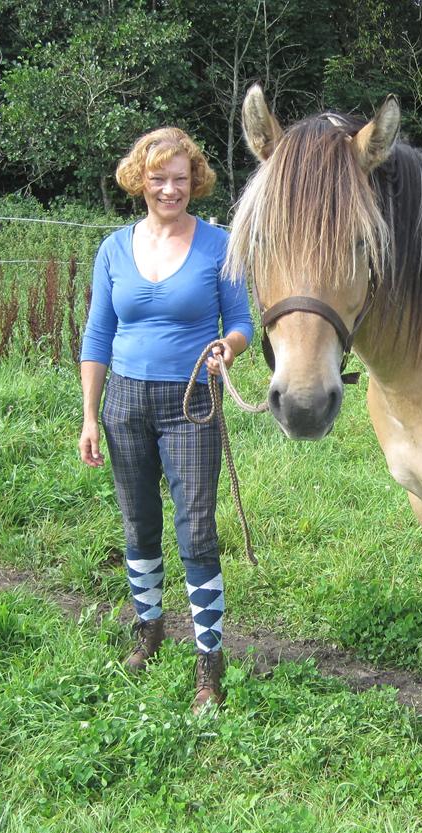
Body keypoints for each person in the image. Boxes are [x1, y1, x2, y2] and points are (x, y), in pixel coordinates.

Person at [78, 127, 253, 712]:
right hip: (123, 401)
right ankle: (147, 628)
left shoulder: (220, 245)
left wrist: (227, 347)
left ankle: (209, 657)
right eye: (159, 178)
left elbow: (243, 321)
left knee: (197, 526)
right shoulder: (112, 249)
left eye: (180, 179)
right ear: (140, 180)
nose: (170, 189)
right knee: (138, 520)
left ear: (195, 181)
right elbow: (98, 335)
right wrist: (89, 417)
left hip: (191, 401)